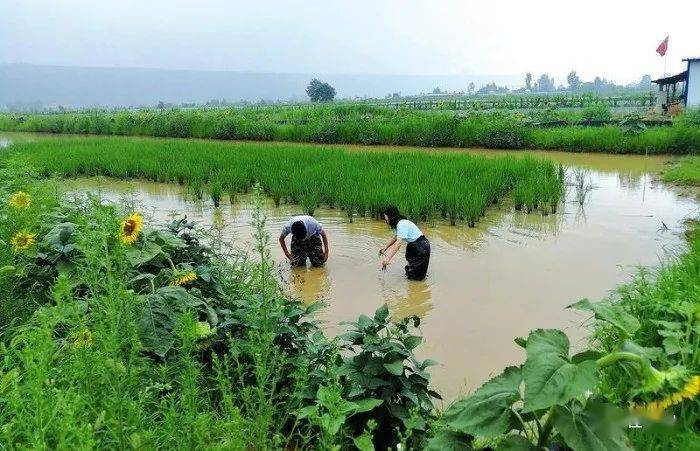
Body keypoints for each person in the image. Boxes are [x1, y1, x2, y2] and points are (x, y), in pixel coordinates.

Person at [379, 206, 431, 281]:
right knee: (411, 271)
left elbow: (398, 243)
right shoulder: (401, 223)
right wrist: (385, 248)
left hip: (421, 246)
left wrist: (387, 259)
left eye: (386, 217)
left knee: (416, 278)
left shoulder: (401, 224)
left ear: (391, 216)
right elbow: (396, 237)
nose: (385, 220)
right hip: (417, 245)